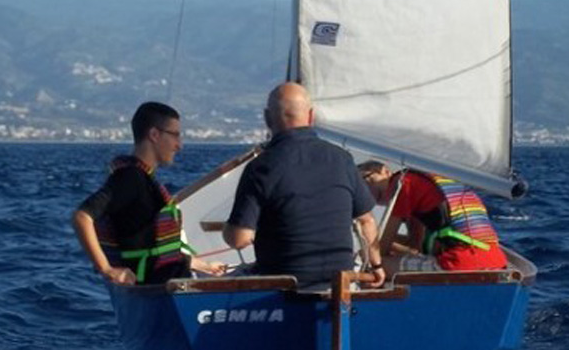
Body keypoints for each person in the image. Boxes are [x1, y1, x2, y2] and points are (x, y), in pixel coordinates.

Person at [223, 82, 385, 289]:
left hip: (283, 288)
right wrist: (377, 265)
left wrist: (228, 231)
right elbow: (366, 221)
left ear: (267, 118)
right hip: (340, 285)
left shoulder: (261, 167)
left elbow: (240, 239)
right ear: (310, 116)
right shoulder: (342, 159)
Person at [72, 102, 225, 285]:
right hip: (154, 286)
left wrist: (204, 265)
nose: (179, 145)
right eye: (175, 135)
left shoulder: (143, 179)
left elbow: (147, 245)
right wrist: (107, 269)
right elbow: (82, 217)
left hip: (166, 279)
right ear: (154, 135)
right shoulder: (130, 178)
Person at [357, 161, 507, 272]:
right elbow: (415, 247)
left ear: (385, 171)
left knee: (374, 263)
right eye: (357, 186)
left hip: (461, 261)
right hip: (494, 258)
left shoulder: (402, 185)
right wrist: (382, 241)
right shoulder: (420, 184)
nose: (365, 190)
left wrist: (368, 242)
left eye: (365, 179)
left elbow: (380, 250)